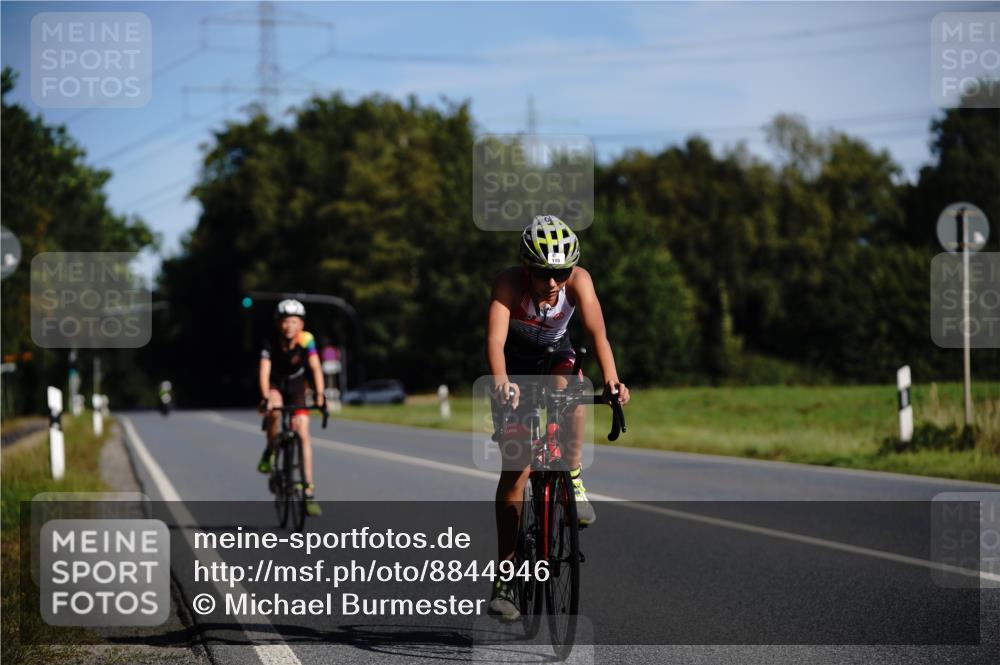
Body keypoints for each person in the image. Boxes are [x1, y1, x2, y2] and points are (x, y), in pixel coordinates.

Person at [485, 215, 630, 620]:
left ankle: (573, 475)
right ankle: (506, 577)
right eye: (543, 273)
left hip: (556, 357)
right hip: (514, 366)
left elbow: (597, 334)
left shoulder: (579, 281)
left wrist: (613, 380)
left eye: (561, 272)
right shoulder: (508, 284)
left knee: (574, 385)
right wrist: (501, 382)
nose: (553, 282)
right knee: (516, 470)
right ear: (526, 267)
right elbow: (494, 340)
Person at [256, 299, 326, 517]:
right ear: (278, 323)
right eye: (285, 321)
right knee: (275, 411)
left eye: (294, 322)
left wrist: (320, 395)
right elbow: (264, 371)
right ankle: (270, 450)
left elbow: (315, 368)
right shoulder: (270, 341)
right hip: (276, 384)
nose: (289, 326)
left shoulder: (307, 340)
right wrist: (265, 396)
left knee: (303, 432)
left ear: (301, 324)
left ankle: (308, 491)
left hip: (297, 385)